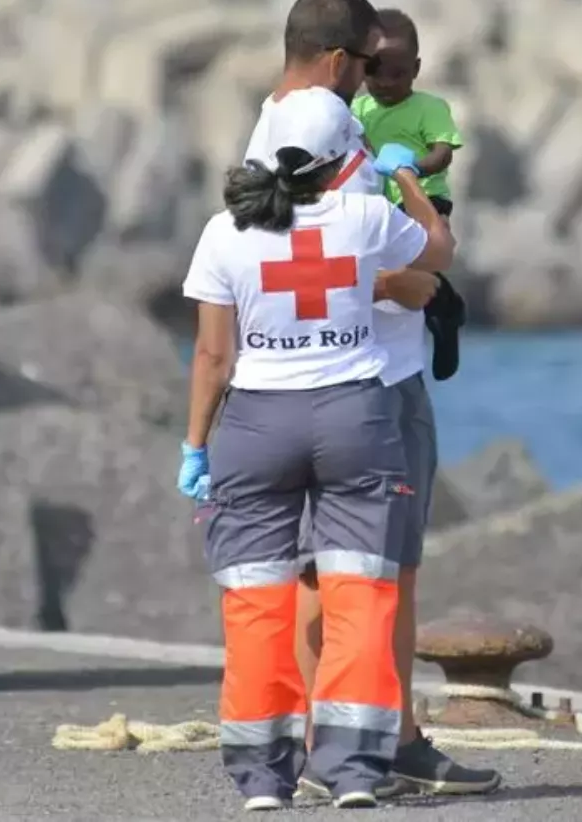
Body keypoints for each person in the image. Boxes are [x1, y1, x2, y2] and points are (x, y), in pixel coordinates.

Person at [179, 85, 457, 812]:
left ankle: (262, 779)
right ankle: (355, 773)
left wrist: (195, 446)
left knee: (255, 605)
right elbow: (437, 250)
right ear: (343, 160)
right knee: (361, 594)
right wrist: (403, 178)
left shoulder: (223, 233)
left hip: (255, 429)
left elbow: (212, 358)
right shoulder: (366, 216)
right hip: (354, 422)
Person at [352, 7, 468, 383]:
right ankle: (436, 309)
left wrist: (414, 168)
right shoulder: (358, 107)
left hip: (424, 197)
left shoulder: (429, 107)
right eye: (374, 71)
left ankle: (445, 311)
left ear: (416, 70)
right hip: (379, 201)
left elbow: (443, 150)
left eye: (397, 74)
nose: (385, 82)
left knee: (422, 259)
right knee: (389, 271)